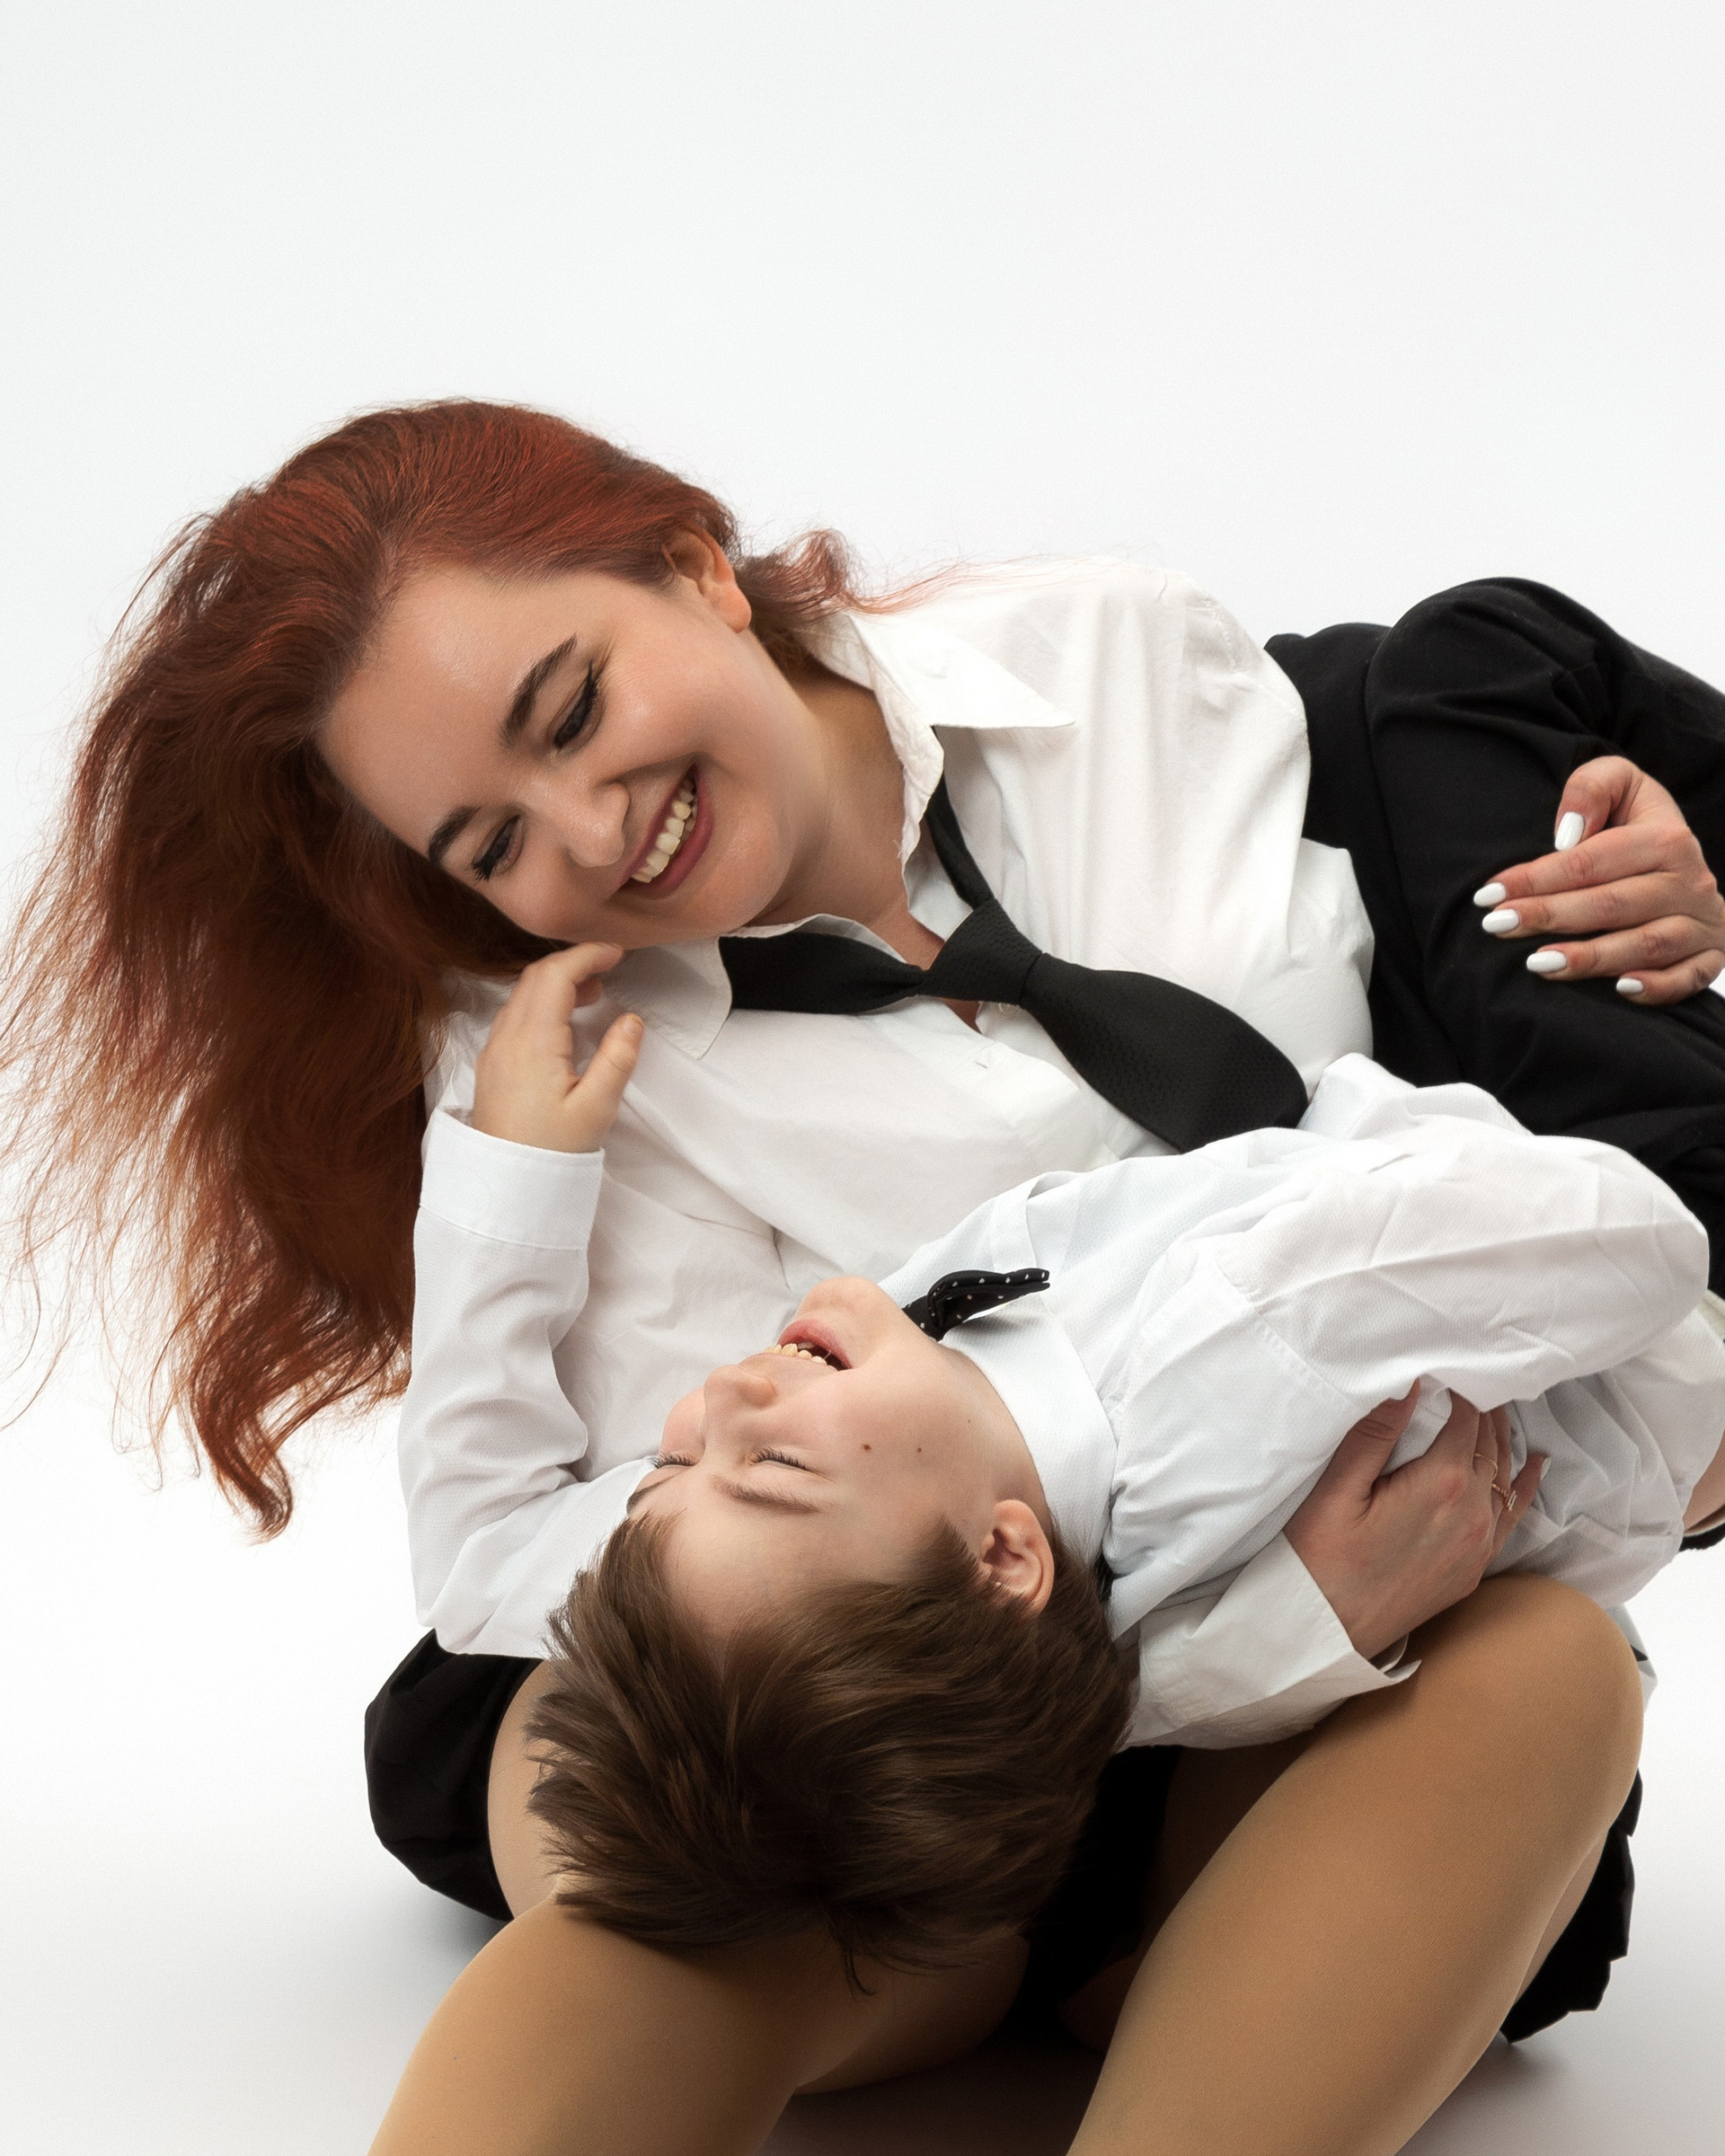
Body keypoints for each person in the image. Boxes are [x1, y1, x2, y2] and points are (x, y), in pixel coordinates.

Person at [2, 400, 1718, 2154]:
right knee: (651, 1767)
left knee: (1548, 1663)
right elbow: (721, 1588)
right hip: (861, 1795)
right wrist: (1260, 1631)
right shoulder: (566, 1067)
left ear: (695, 567)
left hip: (1302, 1737)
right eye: (492, 845)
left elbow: (1532, 1184)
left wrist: (1684, 922)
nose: (584, 833)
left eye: (573, 712)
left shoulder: (1122, 658)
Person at [389, 947, 1725, 1995]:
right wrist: (1365, 1171)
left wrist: (511, 1176)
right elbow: (1644, 1241)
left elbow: (479, 1564)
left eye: (668, 1463)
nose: (716, 1396)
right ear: (1002, 1556)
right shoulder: (1245, 1338)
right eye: (772, 1460)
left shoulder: (904, 1498)